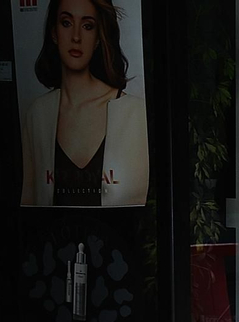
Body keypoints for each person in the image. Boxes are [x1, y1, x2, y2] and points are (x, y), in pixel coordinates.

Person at [20, 0, 149, 208]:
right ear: (54, 33)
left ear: (98, 38)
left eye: (88, 26)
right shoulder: (38, 114)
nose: (76, 37)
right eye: (66, 23)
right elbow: (29, 202)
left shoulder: (134, 113)